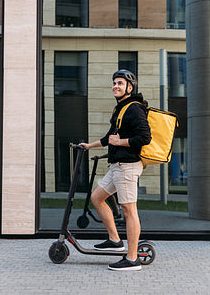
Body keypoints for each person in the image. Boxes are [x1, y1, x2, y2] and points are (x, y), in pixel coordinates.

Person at [79, 69, 151, 271]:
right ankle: (115, 240)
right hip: (117, 166)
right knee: (97, 198)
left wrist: (120, 142)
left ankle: (132, 259)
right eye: (114, 83)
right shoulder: (120, 108)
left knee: (129, 211)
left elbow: (145, 138)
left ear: (130, 87)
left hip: (128, 167)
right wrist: (89, 146)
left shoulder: (134, 108)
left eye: (120, 83)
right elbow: (109, 137)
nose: (116, 86)